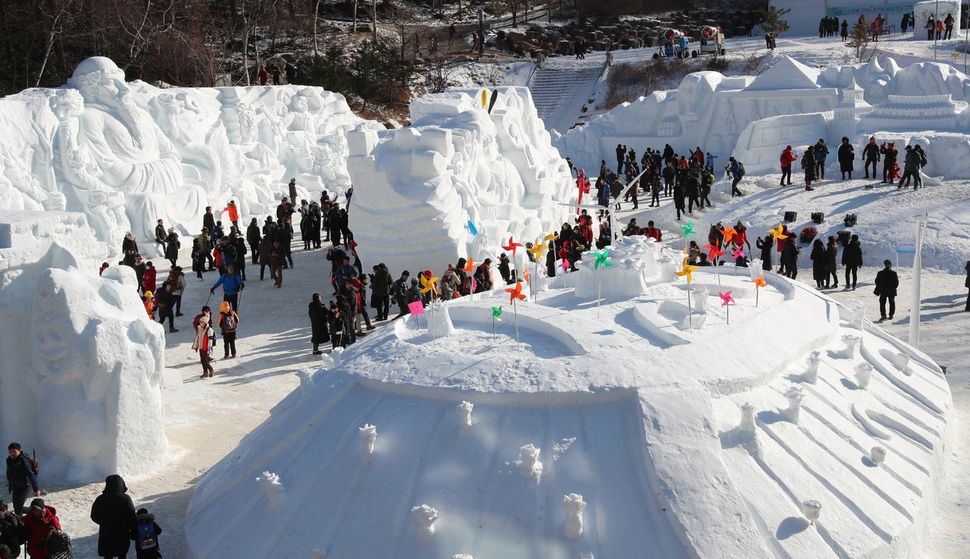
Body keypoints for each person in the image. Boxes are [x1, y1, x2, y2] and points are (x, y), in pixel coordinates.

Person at [90, 474, 135, 559]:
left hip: (106, 533)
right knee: (122, 554)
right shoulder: (125, 499)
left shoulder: (100, 499)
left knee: (108, 555)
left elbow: (94, 516)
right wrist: (129, 527)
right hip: (122, 533)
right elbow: (131, 516)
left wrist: (103, 522)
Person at [6, 443, 40, 516]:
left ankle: (21, 524)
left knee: (18, 511)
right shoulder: (10, 460)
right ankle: (35, 510)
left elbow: (31, 475)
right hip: (15, 487)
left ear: (19, 451)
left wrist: (36, 489)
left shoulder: (23, 461)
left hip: (23, 488)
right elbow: (9, 471)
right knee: (17, 508)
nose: (12, 454)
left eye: (14, 451)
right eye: (10, 452)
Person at [192, 307, 215, 378]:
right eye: (200, 322)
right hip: (201, 347)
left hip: (206, 347)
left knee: (205, 360)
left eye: (201, 322)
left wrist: (209, 348)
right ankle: (205, 372)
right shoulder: (200, 329)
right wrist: (196, 346)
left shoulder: (209, 330)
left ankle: (211, 369)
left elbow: (210, 339)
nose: (200, 323)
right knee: (202, 360)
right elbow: (197, 338)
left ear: (205, 323)